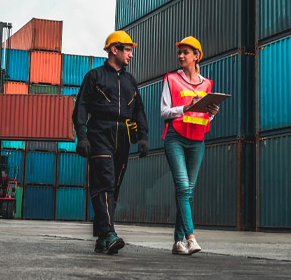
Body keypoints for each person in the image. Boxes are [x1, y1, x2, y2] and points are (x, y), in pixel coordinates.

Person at [73, 31, 149, 254]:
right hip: (99, 133)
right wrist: (82, 136)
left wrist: (143, 136)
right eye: (128, 49)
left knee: (114, 187)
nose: (131, 55)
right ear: (113, 49)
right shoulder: (94, 76)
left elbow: (139, 110)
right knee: (104, 182)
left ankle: (102, 237)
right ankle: (109, 233)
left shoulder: (130, 80)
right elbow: (81, 107)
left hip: (122, 136)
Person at [160, 36, 219, 255]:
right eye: (180, 52)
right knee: (183, 188)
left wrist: (211, 114)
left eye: (186, 52)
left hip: (197, 140)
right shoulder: (171, 79)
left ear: (197, 56)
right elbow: (164, 112)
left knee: (187, 192)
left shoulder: (207, 84)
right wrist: (184, 108)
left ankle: (177, 242)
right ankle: (191, 237)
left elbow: (205, 117)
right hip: (175, 136)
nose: (181, 56)